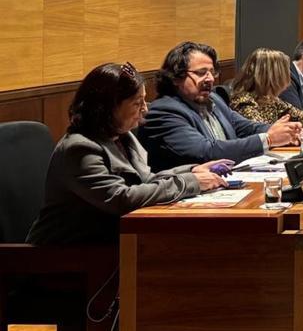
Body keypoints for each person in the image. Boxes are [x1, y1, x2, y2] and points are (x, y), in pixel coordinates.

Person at [27, 63, 227, 246]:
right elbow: (121, 199)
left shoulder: (122, 137)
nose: (145, 109)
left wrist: (192, 170)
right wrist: (191, 182)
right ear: (108, 107)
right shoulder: (79, 148)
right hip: (69, 259)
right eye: (137, 103)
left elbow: (145, 181)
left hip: (110, 243)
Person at [141, 42, 301, 171]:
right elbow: (206, 152)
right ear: (175, 77)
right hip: (182, 201)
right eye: (201, 72)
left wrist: (284, 132)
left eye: (212, 72)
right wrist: (269, 139)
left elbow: (245, 127)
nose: (210, 78)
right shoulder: (163, 112)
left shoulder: (214, 99)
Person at [228, 48, 303, 128]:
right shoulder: (244, 102)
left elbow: (300, 115)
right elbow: (261, 132)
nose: (287, 77)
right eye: (284, 72)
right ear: (272, 77)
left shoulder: (271, 99)